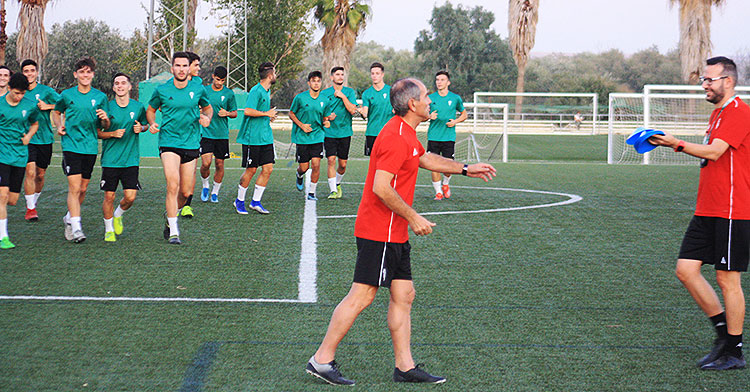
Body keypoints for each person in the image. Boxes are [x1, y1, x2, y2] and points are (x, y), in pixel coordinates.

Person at [305, 78, 497, 385]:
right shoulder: (395, 136)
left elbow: (422, 158)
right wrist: (413, 216)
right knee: (362, 296)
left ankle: (405, 367)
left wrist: (464, 168)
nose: (430, 101)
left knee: (404, 294)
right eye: (425, 96)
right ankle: (322, 359)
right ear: (412, 105)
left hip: (394, 232)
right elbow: (382, 187)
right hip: (380, 229)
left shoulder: (406, 132)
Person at [649, 56, 750, 371]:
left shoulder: (739, 112)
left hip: (734, 209)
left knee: (727, 279)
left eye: (710, 79)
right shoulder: (717, 115)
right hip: (707, 207)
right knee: (686, 270)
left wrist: (674, 143)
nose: (704, 85)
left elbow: (714, 152)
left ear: (728, 81)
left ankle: (734, 351)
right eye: (704, 80)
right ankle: (723, 336)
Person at [147, 51, 212, 245]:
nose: (181, 69)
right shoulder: (162, 90)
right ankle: (174, 231)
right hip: (169, 142)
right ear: (172, 68)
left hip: (191, 142)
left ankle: (170, 216)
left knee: (185, 193)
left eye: (185, 66)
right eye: (178, 66)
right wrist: (151, 122)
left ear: (188, 68)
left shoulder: (198, 89)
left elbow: (207, 108)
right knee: (172, 183)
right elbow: (150, 109)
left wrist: (207, 118)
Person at [52, 57, 110, 243]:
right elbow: (56, 111)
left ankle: (69, 218)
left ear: (93, 75)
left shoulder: (100, 97)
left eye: (88, 72)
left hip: (90, 147)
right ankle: (77, 228)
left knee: (83, 189)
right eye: (82, 72)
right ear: (76, 75)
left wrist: (105, 118)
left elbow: (105, 125)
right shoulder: (67, 95)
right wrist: (59, 126)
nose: (85, 75)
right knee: (75, 187)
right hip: (71, 146)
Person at [98, 73, 147, 242]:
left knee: (130, 197)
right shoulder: (107, 108)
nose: (120, 86)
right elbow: (98, 133)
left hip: (131, 159)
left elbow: (145, 125)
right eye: (117, 83)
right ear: (113, 88)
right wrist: (111, 133)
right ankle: (109, 230)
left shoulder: (138, 107)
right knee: (109, 197)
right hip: (111, 159)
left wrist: (142, 128)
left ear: (129, 87)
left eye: (123, 83)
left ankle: (118, 214)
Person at [0, 73, 39, 249]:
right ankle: (3, 237)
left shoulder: (30, 106)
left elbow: (35, 124)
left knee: (12, 200)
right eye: (16, 93)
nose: (19, 96)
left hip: (19, 156)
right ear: (8, 88)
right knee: (2, 196)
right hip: (2, 155)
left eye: (22, 93)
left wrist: (29, 136)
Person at [234, 62, 277, 215]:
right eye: (275, 73)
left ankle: (255, 202)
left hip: (266, 137)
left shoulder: (267, 90)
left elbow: (260, 112)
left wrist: (268, 117)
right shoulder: (256, 91)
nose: (276, 76)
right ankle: (239, 201)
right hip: (253, 139)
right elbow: (248, 111)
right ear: (270, 75)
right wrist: (266, 114)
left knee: (268, 169)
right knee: (251, 170)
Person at [21, 59, 60, 221]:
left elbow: (64, 104)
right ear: (22, 73)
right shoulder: (18, 92)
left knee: (40, 175)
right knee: (29, 172)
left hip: (44, 139)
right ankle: (30, 209)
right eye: (26, 71)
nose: (29, 74)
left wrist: (48, 107)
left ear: (37, 73)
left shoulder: (46, 91)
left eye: (32, 71)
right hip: (26, 139)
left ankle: (33, 203)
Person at [426, 70, 467, 200]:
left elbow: (464, 115)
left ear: (448, 82)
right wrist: (428, 116)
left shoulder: (455, 98)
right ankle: (438, 192)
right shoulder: (430, 98)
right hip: (433, 137)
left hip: (448, 137)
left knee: (448, 167)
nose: (439, 82)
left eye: (442, 80)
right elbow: (421, 114)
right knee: (434, 166)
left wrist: (455, 121)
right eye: (437, 80)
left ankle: (445, 184)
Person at [199, 66, 237, 204]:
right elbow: (197, 106)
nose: (219, 82)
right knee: (206, 163)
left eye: (222, 80)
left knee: (220, 164)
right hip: (207, 133)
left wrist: (227, 113)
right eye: (217, 79)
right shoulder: (204, 91)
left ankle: (215, 192)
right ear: (213, 76)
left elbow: (235, 113)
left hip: (221, 135)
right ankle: (205, 186)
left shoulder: (229, 94)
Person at [290, 71, 329, 201]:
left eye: (318, 81)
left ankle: (312, 193)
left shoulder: (325, 100)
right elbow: (291, 113)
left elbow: (324, 117)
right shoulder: (300, 98)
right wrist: (302, 126)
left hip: (317, 136)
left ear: (321, 83)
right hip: (302, 137)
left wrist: (327, 121)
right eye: (313, 81)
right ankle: (299, 174)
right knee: (304, 167)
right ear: (309, 83)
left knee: (316, 164)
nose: (316, 83)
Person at [320, 66, 357, 199]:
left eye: (342, 74)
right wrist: (328, 117)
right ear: (332, 77)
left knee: (342, 165)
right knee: (331, 160)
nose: (340, 77)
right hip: (329, 133)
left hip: (345, 132)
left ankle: (337, 183)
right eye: (337, 74)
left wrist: (342, 96)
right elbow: (320, 114)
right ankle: (333, 191)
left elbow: (353, 110)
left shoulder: (349, 92)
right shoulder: (324, 93)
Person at [177, 51, 204, 218]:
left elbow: (204, 105)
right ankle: (174, 205)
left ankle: (187, 205)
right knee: (175, 176)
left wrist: (201, 113)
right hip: (174, 136)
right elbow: (160, 106)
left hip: (193, 135)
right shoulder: (171, 85)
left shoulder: (198, 84)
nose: (198, 68)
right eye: (196, 65)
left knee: (191, 171)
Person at [358, 62, 393, 156]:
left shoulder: (391, 91)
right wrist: (361, 112)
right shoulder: (367, 93)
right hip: (372, 132)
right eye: (372, 73)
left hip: (389, 133)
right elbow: (365, 114)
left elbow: (398, 110)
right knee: (374, 162)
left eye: (377, 73)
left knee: (389, 160)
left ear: (382, 75)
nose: (374, 76)